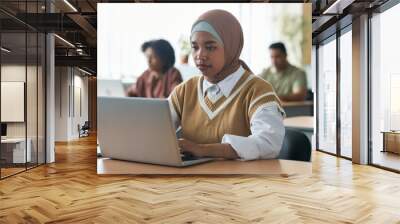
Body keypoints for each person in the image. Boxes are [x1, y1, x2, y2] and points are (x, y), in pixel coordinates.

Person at [168, 9, 286, 161]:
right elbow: (156, 128)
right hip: (191, 180)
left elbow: (268, 144)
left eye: (210, 47)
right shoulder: (185, 90)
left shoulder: (258, 90)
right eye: (195, 47)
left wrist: (203, 150)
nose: (200, 55)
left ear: (231, 47)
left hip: (240, 182)